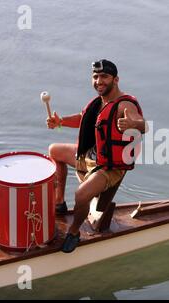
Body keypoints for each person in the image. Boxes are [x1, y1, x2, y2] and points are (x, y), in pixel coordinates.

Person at [46, 59, 146, 253]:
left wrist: (133, 125)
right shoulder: (100, 101)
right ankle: (59, 204)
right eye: (95, 77)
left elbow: (142, 124)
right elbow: (84, 119)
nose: (99, 81)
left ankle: (74, 232)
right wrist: (60, 122)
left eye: (104, 77)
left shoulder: (124, 105)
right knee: (54, 151)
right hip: (92, 156)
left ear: (116, 79)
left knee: (81, 195)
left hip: (110, 167)